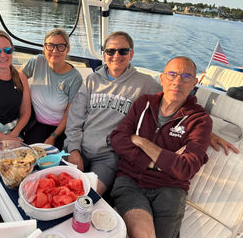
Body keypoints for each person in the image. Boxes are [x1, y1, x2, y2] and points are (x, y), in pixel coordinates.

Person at [110, 56, 213, 238]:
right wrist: (161, 161)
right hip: (130, 181)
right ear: (162, 78)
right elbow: (118, 138)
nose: (177, 82)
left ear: (195, 83)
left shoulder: (200, 121)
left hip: (170, 189)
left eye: (186, 77)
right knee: (144, 234)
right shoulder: (144, 103)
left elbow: (185, 169)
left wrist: (142, 142)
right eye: (172, 75)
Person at [64, 31, 161, 195]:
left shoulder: (145, 84)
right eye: (110, 51)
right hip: (80, 147)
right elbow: (75, 118)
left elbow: (174, 99)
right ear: (104, 54)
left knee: (86, 198)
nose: (116, 55)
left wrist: (201, 126)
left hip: (108, 155)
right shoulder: (91, 81)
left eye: (123, 51)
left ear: (131, 54)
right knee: (56, 189)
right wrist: (73, 149)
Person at [20, 29, 82, 150]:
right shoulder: (37, 61)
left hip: (60, 128)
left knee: (53, 158)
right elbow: (19, 77)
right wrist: (26, 96)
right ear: (44, 48)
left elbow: (69, 113)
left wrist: (53, 136)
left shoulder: (75, 78)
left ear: (67, 49)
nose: (55, 51)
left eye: (60, 46)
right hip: (36, 122)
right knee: (29, 154)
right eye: (50, 46)